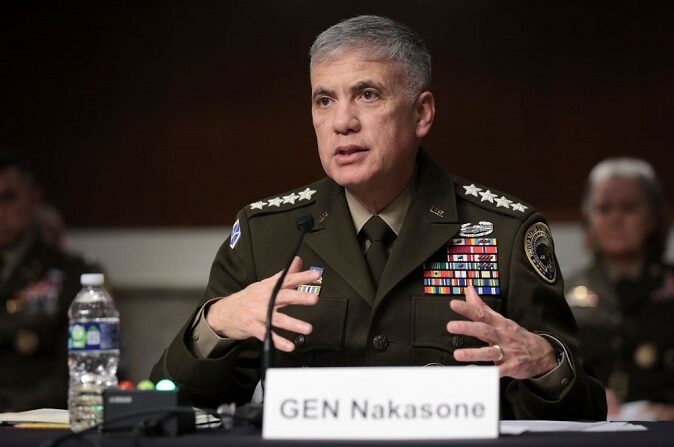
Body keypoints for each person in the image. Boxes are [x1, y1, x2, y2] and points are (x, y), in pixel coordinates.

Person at [151, 15, 606, 420]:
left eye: (367, 95)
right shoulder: (265, 235)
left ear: (421, 113)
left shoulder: (507, 234)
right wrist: (213, 326)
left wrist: (547, 364)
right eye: (324, 100)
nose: (341, 122)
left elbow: (586, 414)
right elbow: (174, 409)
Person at [565, 158, 674, 420]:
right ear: (589, 218)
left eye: (629, 208)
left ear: (652, 217)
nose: (615, 219)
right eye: (603, 208)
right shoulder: (562, 292)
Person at [0, 150, 98, 412]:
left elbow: (74, 373)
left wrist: (11, 411)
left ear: (33, 199)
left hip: (32, 418)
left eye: (8, 197)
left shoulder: (71, 274)